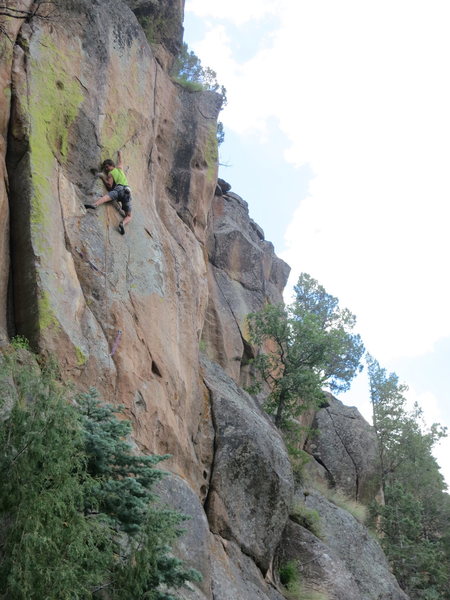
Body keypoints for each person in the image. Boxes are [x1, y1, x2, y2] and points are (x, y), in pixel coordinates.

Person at [85, 150, 132, 234]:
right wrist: (120, 153)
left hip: (119, 189)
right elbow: (121, 161)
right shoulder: (120, 169)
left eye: (107, 167)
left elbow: (109, 185)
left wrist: (102, 177)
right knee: (129, 216)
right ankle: (122, 223)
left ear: (111, 166)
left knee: (107, 197)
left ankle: (94, 205)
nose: (106, 169)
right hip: (127, 193)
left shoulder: (111, 173)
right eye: (105, 168)